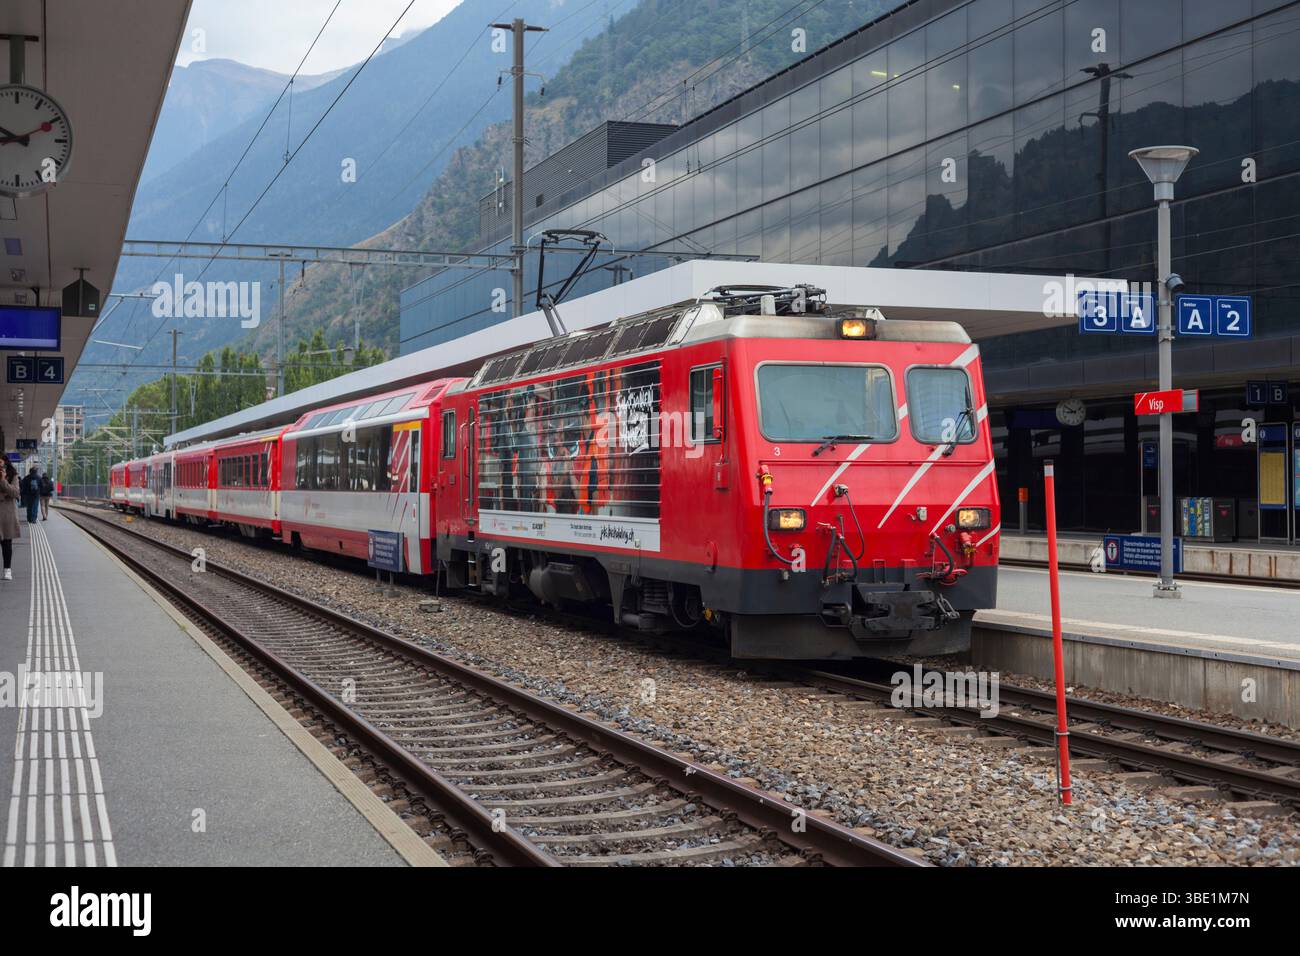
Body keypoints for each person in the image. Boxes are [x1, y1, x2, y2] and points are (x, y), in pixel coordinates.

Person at [1, 461, 20, 581]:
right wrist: (4, 495)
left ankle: (7, 570)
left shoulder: (13, 476)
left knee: (7, 544)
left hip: (7, 515)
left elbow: (15, 493)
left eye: (1, 465)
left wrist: (3, 480)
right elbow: (10, 493)